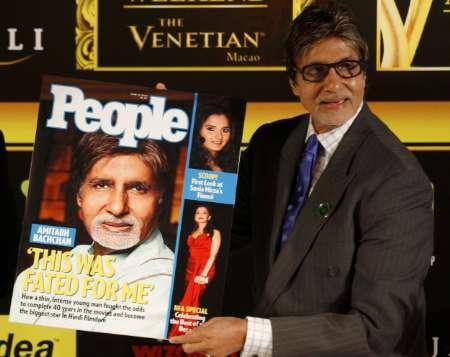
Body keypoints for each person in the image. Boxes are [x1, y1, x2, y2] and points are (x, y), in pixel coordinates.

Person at [169, 1, 434, 356]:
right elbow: (225, 231)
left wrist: (250, 336)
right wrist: (169, 142)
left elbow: (377, 331)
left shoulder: (397, 180)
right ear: (294, 82)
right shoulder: (269, 143)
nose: (333, 84)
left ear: (364, 75)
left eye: (347, 67)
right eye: (316, 71)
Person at [10, 132, 174, 339]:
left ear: (160, 201)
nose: (117, 207)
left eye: (137, 188)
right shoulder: (37, 274)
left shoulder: (167, 286)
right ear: (80, 196)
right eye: (102, 185)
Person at [169, 205, 221, 337]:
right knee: (188, 300)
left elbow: (213, 256)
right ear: (194, 216)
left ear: (209, 217)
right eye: (198, 212)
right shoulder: (192, 233)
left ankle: (184, 333)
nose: (201, 214)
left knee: (191, 300)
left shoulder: (215, 232)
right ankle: (185, 331)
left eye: (204, 212)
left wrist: (203, 275)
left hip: (204, 269)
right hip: (190, 269)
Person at [190, 100, 237, 172]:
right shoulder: (190, 162)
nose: (219, 137)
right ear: (198, 129)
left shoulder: (232, 163)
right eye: (211, 129)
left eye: (225, 130)